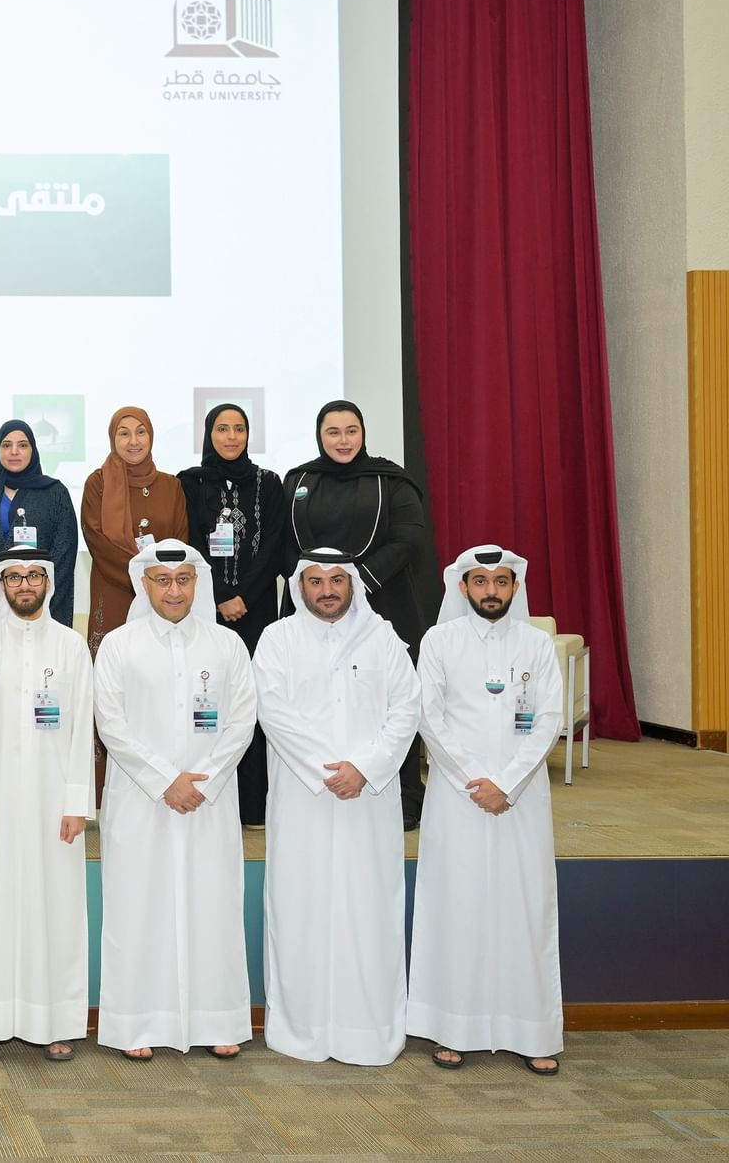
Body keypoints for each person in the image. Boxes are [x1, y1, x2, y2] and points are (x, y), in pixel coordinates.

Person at [252, 553, 421, 1065]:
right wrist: (328, 771)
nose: (326, 590)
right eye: (315, 581)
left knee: (368, 911)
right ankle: (300, 1029)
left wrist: (364, 768)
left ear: (352, 585)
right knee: (299, 909)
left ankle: (366, 1029)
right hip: (302, 798)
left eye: (336, 580)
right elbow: (271, 710)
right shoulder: (277, 638)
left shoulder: (383, 638)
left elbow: (406, 708)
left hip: (367, 800)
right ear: (300, 586)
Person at [94, 540, 257, 1061]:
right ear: (143, 583)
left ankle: (217, 1019)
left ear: (196, 583)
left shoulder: (226, 645)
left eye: (183, 579)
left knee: (213, 906)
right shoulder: (119, 645)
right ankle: (137, 1023)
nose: (173, 590)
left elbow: (242, 721)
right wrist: (165, 780)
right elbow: (110, 722)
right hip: (142, 800)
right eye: (162, 580)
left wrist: (201, 781)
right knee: (139, 907)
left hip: (209, 799)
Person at [409, 545, 564, 1076]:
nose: (491, 591)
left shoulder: (537, 644)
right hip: (458, 797)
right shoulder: (440, 641)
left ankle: (532, 1031)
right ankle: (453, 1029)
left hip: (522, 798)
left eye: (501, 581)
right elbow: (429, 716)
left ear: (515, 587)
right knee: (458, 905)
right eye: (480, 581)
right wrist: (475, 780)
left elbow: (549, 719)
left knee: (525, 907)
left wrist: (508, 783)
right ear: (463, 587)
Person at [0, 547, 93, 1062]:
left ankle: (54, 1021)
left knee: (55, 907)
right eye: (15, 577)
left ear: (49, 583)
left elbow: (82, 729)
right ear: (0, 584)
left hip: (54, 801)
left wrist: (76, 802)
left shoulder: (71, 646)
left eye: (34, 576)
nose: (25, 585)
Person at [282, 400, 433, 829]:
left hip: (382, 600)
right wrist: (319, 585)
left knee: (388, 700)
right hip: (313, 607)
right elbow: (285, 544)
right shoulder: (299, 480)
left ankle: (403, 796)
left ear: (363, 433)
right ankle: (323, 782)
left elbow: (409, 540)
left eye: (351, 431)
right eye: (333, 432)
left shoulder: (392, 481)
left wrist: (356, 580)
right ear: (320, 436)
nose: (343, 440)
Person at [177, 403, 286, 826]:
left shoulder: (268, 482)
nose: (231, 437)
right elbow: (189, 543)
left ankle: (253, 803)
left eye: (239, 428)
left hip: (257, 611)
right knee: (209, 697)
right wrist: (221, 595)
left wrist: (244, 596)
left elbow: (274, 544)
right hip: (206, 608)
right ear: (209, 434)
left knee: (250, 700)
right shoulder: (189, 483)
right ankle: (207, 794)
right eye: (222, 429)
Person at [81, 406, 189, 655]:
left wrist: (159, 582)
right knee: (114, 664)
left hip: (164, 595)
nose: (133, 441)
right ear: (113, 438)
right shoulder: (98, 484)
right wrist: (145, 580)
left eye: (141, 432)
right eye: (124, 433)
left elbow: (180, 542)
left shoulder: (172, 485)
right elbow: (98, 542)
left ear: (151, 435)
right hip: (114, 590)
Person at [0, 420, 79, 629]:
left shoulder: (55, 493)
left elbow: (64, 556)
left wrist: (41, 602)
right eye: (6, 445)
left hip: (44, 609)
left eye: (22, 445)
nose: (14, 452)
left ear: (33, 450)